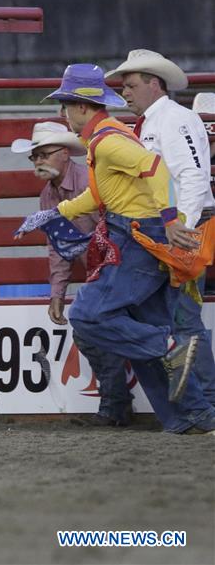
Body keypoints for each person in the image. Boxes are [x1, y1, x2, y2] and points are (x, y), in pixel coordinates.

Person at [39, 63, 214, 434]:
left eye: (65, 106)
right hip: (154, 231)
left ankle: (178, 368)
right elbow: (106, 192)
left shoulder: (116, 137)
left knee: (94, 316)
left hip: (151, 233)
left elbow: (159, 170)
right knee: (152, 323)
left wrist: (174, 221)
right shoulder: (118, 133)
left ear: (81, 107)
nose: (62, 114)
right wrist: (59, 212)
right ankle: (195, 415)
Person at [107, 51, 215, 408]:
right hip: (170, 226)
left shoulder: (172, 120)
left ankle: (207, 402)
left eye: (130, 85)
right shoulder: (160, 121)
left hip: (180, 226)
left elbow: (193, 176)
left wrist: (182, 228)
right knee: (177, 317)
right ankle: (201, 403)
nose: (125, 93)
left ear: (154, 84)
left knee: (182, 318)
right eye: (123, 87)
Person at [12, 122, 131, 427]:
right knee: (95, 328)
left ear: (64, 153)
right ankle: (118, 404)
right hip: (108, 272)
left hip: (121, 268)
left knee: (91, 326)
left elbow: (115, 228)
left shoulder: (90, 182)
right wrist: (57, 294)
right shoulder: (48, 195)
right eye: (35, 156)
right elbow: (58, 246)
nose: (38, 161)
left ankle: (116, 405)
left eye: (44, 154)